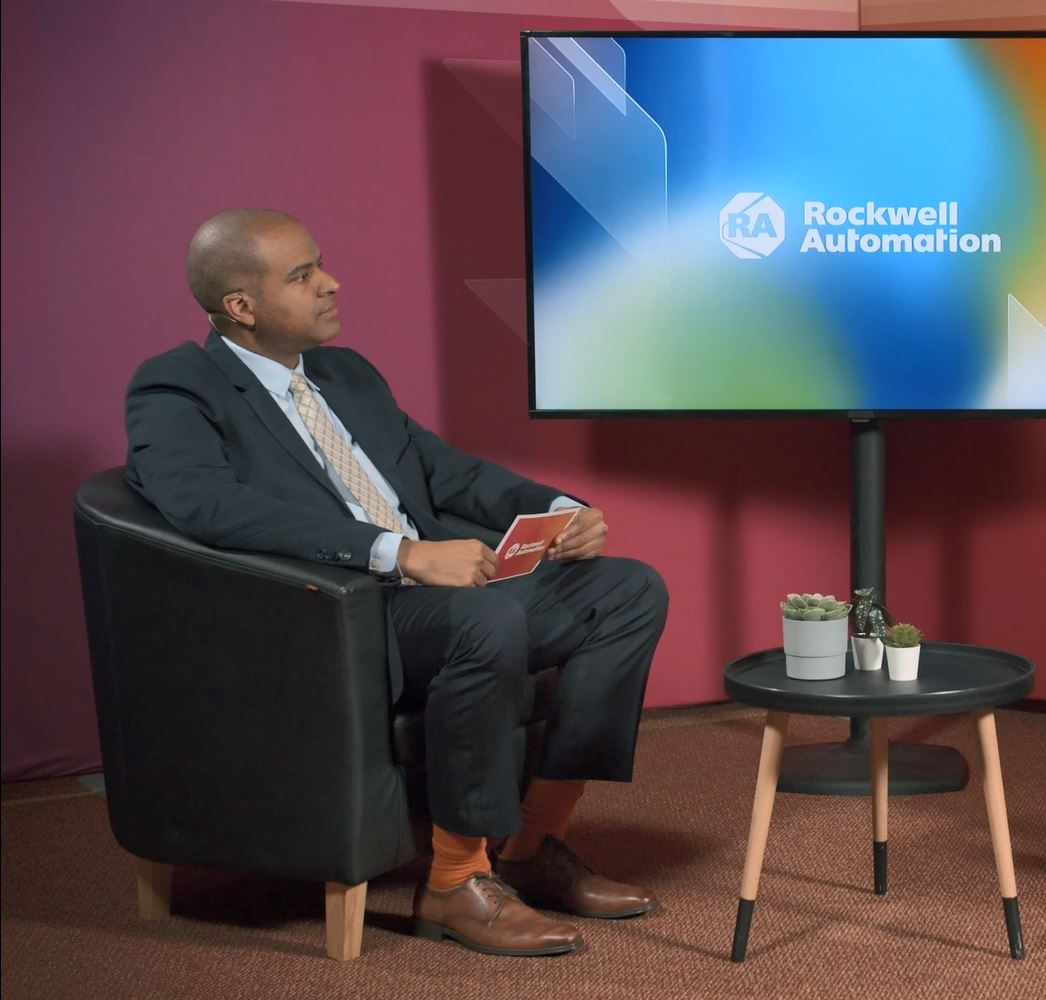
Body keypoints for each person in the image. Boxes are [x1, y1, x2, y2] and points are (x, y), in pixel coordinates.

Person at [126, 209, 671, 956]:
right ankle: (455, 882)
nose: (330, 283)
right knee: (484, 620)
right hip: (335, 614)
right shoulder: (176, 386)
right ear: (241, 307)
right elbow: (204, 504)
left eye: (321, 264)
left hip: (437, 595)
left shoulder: (345, 374)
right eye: (302, 276)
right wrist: (399, 553)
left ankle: (532, 844)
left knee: (628, 590)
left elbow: (446, 471)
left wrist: (557, 508)